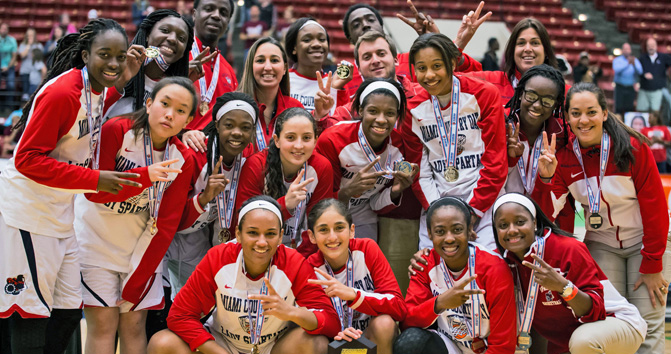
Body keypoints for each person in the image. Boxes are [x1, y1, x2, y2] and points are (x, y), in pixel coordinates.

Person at [0, 18, 144, 354]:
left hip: (58, 214)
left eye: (120, 56)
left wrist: (127, 72)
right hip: (27, 215)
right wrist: (94, 179)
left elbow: (112, 83)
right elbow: (27, 160)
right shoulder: (63, 93)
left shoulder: (97, 91)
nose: (113, 63)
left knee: (67, 311)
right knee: (30, 313)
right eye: (104, 54)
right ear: (84, 55)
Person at [534, 82, 671, 354]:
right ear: (567, 117)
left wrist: (653, 263)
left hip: (647, 243)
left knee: (648, 323)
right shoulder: (563, 158)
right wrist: (547, 178)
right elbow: (552, 215)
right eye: (575, 113)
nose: (583, 120)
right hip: (601, 243)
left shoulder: (633, 148)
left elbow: (655, 208)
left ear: (605, 113)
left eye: (591, 112)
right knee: (609, 322)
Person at [75, 76, 197, 354]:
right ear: (149, 102)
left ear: (188, 121)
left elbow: (167, 225)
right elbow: (94, 192)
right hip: (97, 245)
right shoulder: (117, 129)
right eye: (164, 104)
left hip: (141, 253)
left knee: (134, 328)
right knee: (103, 327)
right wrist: (144, 177)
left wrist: (139, 277)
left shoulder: (183, 159)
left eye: (180, 111)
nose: (169, 114)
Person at [147, 195, 341, 354]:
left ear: (281, 236)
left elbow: (332, 323)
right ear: (238, 234)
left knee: (316, 344)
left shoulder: (294, 263)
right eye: (253, 233)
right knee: (162, 343)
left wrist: (293, 312)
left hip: (274, 348)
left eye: (271, 234)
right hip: (224, 345)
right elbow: (179, 316)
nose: (262, 242)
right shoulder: (218, 258)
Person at [492, 193, 646, 354]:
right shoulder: (502, 263)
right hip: (566, 340)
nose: (512, 230)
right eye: (503, 225)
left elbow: (594, 311)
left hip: (615, 321)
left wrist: (563, 287)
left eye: (520, 222)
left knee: (583, 341)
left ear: (535, 223)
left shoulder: (567, 248)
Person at [402, 33, 507, 250]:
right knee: (435, 276)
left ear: (451, 63)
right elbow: (419, 171)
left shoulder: (484, 94)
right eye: (421, 68)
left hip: (483, 202)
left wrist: (472, 212)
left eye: (437, 66)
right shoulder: (411, 109)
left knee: (485, 272)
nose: (429, 75)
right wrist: (438, 213)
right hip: (436, 203)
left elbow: (495, 162)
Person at [394, 196, 517, 354]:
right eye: (440, 232)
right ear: (430, 234)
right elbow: (408, 322)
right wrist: (439, 303)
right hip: (450, 345)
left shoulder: (494, 268)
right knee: (409, 343)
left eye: (457, 230)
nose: (449, 238)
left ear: (470, 230)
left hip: (488, 348)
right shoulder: (424, 263)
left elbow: (503, 345)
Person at [166, 91, 258, 296]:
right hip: (172, 245)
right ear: (216, 125)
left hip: (209, 246)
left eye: (245, 128)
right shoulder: (193, 154)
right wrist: (204, 197)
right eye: (229, 125)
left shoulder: (251, 158)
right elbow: (172, 220)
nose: (237, 133)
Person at [315, 78, 416, 240]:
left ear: (397, 115)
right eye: (373, 111)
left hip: (363, 215)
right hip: (328, 212)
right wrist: (348, 192)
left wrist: (395, 191)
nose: (381, 120)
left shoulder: (398, 145)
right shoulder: (333, 140)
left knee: (363, 261)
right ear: (360, 111)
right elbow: (319, 201)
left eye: (390, 113)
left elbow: (374, 204)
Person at [306, 199, 406, 354]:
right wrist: (337, 333)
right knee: (312, 339)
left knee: (384, 323)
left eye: (339, 228)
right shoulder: (310, 268)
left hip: (370, 337)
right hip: (333, 341)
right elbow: (312, 321)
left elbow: (399, 307)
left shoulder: (367, 249)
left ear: (352, 230)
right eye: (323, 230)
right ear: (312, 236)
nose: (332, 237)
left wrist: (355, 296)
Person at [235, 107, 332, 257]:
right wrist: (285, 205)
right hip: (258, 249)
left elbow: (317, 225)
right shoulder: (257, 165)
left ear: (315, 141)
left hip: (300, 254)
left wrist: (297, 261)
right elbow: (244, 219)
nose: (299, 145)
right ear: (277, 140)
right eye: (291, 137)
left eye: (306, 138)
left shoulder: (322, 167)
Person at [341, 1, 487, 98]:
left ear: (381, 26)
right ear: (349, 38)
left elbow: (466, 76)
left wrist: (437, 44)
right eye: (356, 24)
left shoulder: (414, 60)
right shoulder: (344, 76)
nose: (365, 25)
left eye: (370, 19)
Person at [504, 64, 574, 231]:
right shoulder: (501, 125)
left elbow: (552, 209)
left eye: (547, 100)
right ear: (521, 93)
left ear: (556, 104)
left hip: (543, 225)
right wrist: (510, 161)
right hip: (498, 221)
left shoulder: (563, 137)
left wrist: (545, 179)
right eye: (531, 95)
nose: (536, 105)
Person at [106, 9, 194, 118]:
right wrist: (122, 79)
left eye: (181, 38)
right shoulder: (112, 69)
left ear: (184, 52)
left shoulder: (176, 91)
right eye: (165, 30)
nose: (172, 39)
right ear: (148, 34)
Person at [467, 18, 562, 107]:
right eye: (521, 43)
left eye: (535, 43)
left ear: (546, 51)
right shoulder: (491, 82)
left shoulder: (562, 92)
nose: (528, 49)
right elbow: (455, 79)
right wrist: (460, 43)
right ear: (512, 51)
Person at [184, 0, 238, 131]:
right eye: (209, 9)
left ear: (228, 22)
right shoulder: (177, 56)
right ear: (194, 14)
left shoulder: (229, 71)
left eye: (223, 13)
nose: (216, 15)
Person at [285, 17, 350, 114]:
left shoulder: (336, 84)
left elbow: (340, 123)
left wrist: (337, 90)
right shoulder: (283, 80)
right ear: (294, 48)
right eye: (307, 40)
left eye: (322, 39)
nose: (317, 44)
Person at [637, 37, 671, 112]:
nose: (651, 47)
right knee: (641, 112)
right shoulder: (642, 58)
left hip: (657, 90)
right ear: (646, 47)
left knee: (655, 113)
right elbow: (637, 71)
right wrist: (644, 74)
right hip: (644, 90)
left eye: (652, 45)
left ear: (656, 46)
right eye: (649, 45)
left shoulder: (663, 57)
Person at [613, 42, 642, 115]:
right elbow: (616, 70)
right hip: (620, 87)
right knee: (618, 107)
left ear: (630, 50)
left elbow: (640, 71)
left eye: (628, 49)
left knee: (629, 108)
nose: (626, 50)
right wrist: (627, 64)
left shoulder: (634, 60)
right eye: (625, 49)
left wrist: (634, 65)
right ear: (622, 50)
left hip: (630, 87)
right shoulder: (617, 60)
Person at [17, 28, 44, 101]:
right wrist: (29, 45)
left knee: (34, 93)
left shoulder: (39, 46)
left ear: (34, 36)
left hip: (35, 72)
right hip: (25, 71)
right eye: (28, 35)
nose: (30, 37)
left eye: (31, 35)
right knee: (25, 94)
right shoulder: (23, 45)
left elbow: (40, 58)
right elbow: (22, 55)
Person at [0, 23, 17, 107]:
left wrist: (8, 67)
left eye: (5, 29)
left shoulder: (12, 40)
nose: (4, 30)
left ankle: (9, 106)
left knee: (11, 85)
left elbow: (14, 56)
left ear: (8, 30)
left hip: (9, 66)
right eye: (2, 28)